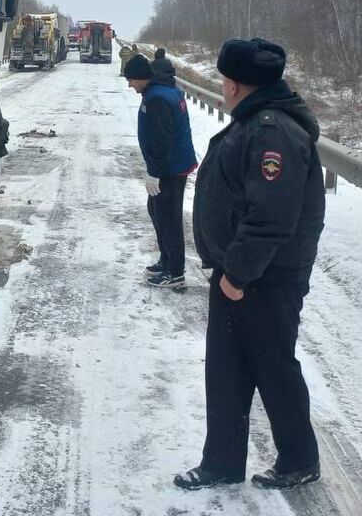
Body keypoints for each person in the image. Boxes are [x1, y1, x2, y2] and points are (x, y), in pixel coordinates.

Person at [175, 37, 326, 492]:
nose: (222, 86)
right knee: (227, 370)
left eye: (225, 79)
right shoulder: (256, 123)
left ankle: (299, 458)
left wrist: (238, 275)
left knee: (273, 367)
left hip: (265, 278)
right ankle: (221, 462)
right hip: (240, 274)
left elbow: (271, 216)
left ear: (238, 85)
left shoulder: (271, 131)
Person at [123, 53, 198, 288]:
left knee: (168, 218)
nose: (129, 85)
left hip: (170, 168)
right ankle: (167, 261)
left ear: (140, 77)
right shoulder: (163, 91)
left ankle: (175, 273)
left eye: (131, 80)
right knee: (156, 211)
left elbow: (162, 141)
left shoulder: (157, 99)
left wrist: (155, 172)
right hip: (172, 165)